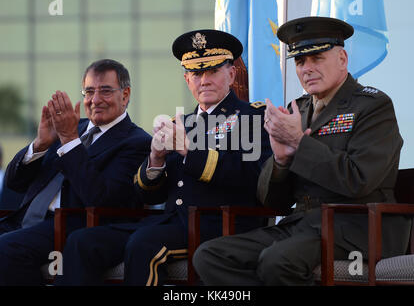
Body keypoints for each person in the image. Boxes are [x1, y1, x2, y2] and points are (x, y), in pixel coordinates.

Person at [193, 17, 412, 285]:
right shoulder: (299, 108)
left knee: (277, 262)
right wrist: (281, 161)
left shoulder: (373, 106)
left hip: (356, 226)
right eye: (299, 61)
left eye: (316, 58)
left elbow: (358, 180)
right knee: (211, 255)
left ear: (342, 59)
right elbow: (273, 203)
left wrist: (299, 143)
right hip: (303, 224)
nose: (306, 68)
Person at [56, 29, 272, 286]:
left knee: (144, 245)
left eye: (212, 71)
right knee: (83, 241)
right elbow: (150, 195)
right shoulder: (181, 123)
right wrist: (155, 160)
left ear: (231, 74)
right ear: (186, 79)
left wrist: (190, 150)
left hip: (223, 225)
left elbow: (254, 178)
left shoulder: (254, 117)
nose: (204, 80)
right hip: (172, 222)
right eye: (196, 73)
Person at [0, 59, 152, 285]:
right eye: (89, 92)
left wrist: (70, 141)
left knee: (5, 249)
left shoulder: (136, 142)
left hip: (74, 225)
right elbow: (14, 182)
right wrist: (40, 144)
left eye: (106, 91)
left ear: (126, 94)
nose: (96, 100)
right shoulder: (70, 126)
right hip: (25, 219)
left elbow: (102, 199)